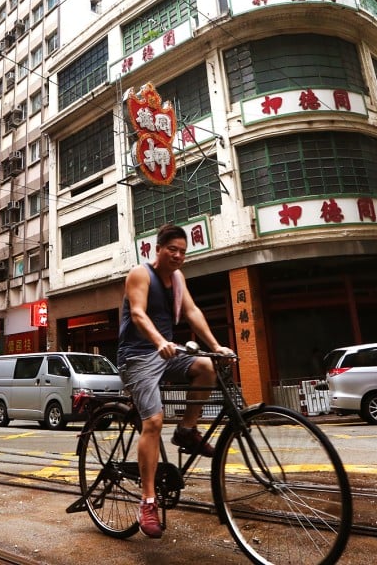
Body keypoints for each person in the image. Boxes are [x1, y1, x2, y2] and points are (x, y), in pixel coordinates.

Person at [118, 224, 234, 539]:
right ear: (158, 249)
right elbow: (139, 314)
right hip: (137, 357)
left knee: (207, 367)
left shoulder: (179, 279)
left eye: (183, 251)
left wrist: (215, 345)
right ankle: (148, 501)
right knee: (153, 421)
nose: (179, 256)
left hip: (166, 354)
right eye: (173, 249)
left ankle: (186, 430)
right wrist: (158, 341)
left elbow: (193, 311)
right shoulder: (140, 274)